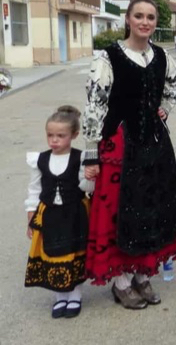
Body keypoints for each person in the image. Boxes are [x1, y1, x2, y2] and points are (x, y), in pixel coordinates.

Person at [82, 0, 176, 310]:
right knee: (119, 211)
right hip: (119, 144)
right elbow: (95, 103)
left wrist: (165, 108)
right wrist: (90, 151)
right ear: (128, 19)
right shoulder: (108, 57)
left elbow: (174, 83)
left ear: (156, 23)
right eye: (138, 16)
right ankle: (121, 281)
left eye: (150, 17)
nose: (144, 22)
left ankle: (142, 273)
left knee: (150, 208)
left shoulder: (162, 56)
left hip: (153, 144)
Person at [25, 106, 93, 319]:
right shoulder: (40, 160)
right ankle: (59, 297)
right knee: (53, 253)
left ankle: (75, 296)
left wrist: (89, 177)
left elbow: (87, 189)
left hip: (75, 214)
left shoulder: (80, 158)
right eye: (50, 135)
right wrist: (31, 212)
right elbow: (35, 188)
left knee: (74, 253)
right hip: (50, 215)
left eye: (60, 136)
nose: (54, 140)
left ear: (74, 135)